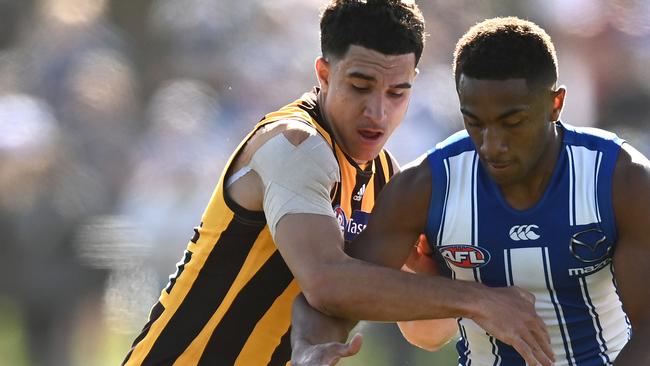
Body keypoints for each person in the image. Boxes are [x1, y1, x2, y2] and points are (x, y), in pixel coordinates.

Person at [123, 2, 552, 364]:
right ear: (324, 73)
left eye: (396, 93)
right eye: (360, 86)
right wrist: (478, 300)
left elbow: (427, 333)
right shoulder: (295, 144)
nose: (378, 113)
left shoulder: (386, 177)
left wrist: (438, 279)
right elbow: (326, 282)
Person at [291, 16, 650, 365]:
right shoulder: (427, 186)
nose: (493, 145)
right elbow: (336, 293)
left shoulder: (621, 180)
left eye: (512, 123)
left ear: (555, 104)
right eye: (475, 122)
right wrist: (309, 346)